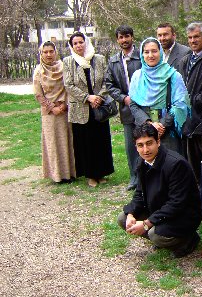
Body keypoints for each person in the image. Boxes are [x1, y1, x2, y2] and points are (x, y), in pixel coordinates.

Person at [117, 123, 202, 256]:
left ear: (158, 141)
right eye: (140, 145)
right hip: (160, 209)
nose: (145, 150)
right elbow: (140, 193)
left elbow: (177, 203)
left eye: (149, 143)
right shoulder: (142, 162)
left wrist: (146, 224)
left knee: (154, 234)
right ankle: (164, 235)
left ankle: (188, 239)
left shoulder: (175, 164)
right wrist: (131, 214)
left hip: (184, 215)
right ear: (136, 147)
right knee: (123, 219)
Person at [63, 32, 114, 187]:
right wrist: (87, 97)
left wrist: (99, 97)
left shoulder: (98, 59)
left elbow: (107, 80)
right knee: (85, 142)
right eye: (75, 43)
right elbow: (68, 85)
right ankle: (90, 175)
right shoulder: (68, 61)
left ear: (86, 42)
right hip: (81, 108)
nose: (79, 45)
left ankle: (102, 172)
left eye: (81, 42)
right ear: (72, 46)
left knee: (101, 141)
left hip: (99, 107)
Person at [129, 38, 189, 156]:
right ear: (142, 54)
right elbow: (133, 104)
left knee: (171, 165)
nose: (150, 55)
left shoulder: (173, 76)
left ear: (160, 52)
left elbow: (180, 103)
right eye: (146, 52)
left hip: (168, 131)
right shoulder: (137, 76)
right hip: (144, 131)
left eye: (154, 51)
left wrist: (161, 125)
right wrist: (149, 124)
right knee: (149, 166)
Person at [105, 25, 142, 191]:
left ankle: (146, 176)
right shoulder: (113, 61)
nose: (124, 40)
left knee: (146, 140)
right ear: (117, 40)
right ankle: (134, 177)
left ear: (132, 37)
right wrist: (123, 98)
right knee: (130, 145)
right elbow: (109, 84)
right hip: (126, 108)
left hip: (143, 106)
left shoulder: (141, 56)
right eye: (120, 37)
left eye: (127, 36)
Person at [177, 22, 202, 183]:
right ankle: (198, 199)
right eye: (190, 38)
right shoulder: (184, 61)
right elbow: (179, 86)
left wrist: (194, 101)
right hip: (187, 120)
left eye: (196, 37)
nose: (193, 41)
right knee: (192, 167)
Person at [33, 41, 76, 183]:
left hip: (65, 111)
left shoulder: (63, 67)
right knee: (53, 143)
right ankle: (57, 175)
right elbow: (38, 94)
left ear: (55, 52)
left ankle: (69, 174)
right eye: (45, 52)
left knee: (66, 141)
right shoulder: (39, 71)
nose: (49, 54)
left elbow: (69, 87)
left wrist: (64, 105)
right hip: (50, 114)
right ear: (41, 53)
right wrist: (52, 108)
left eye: (51, 51)